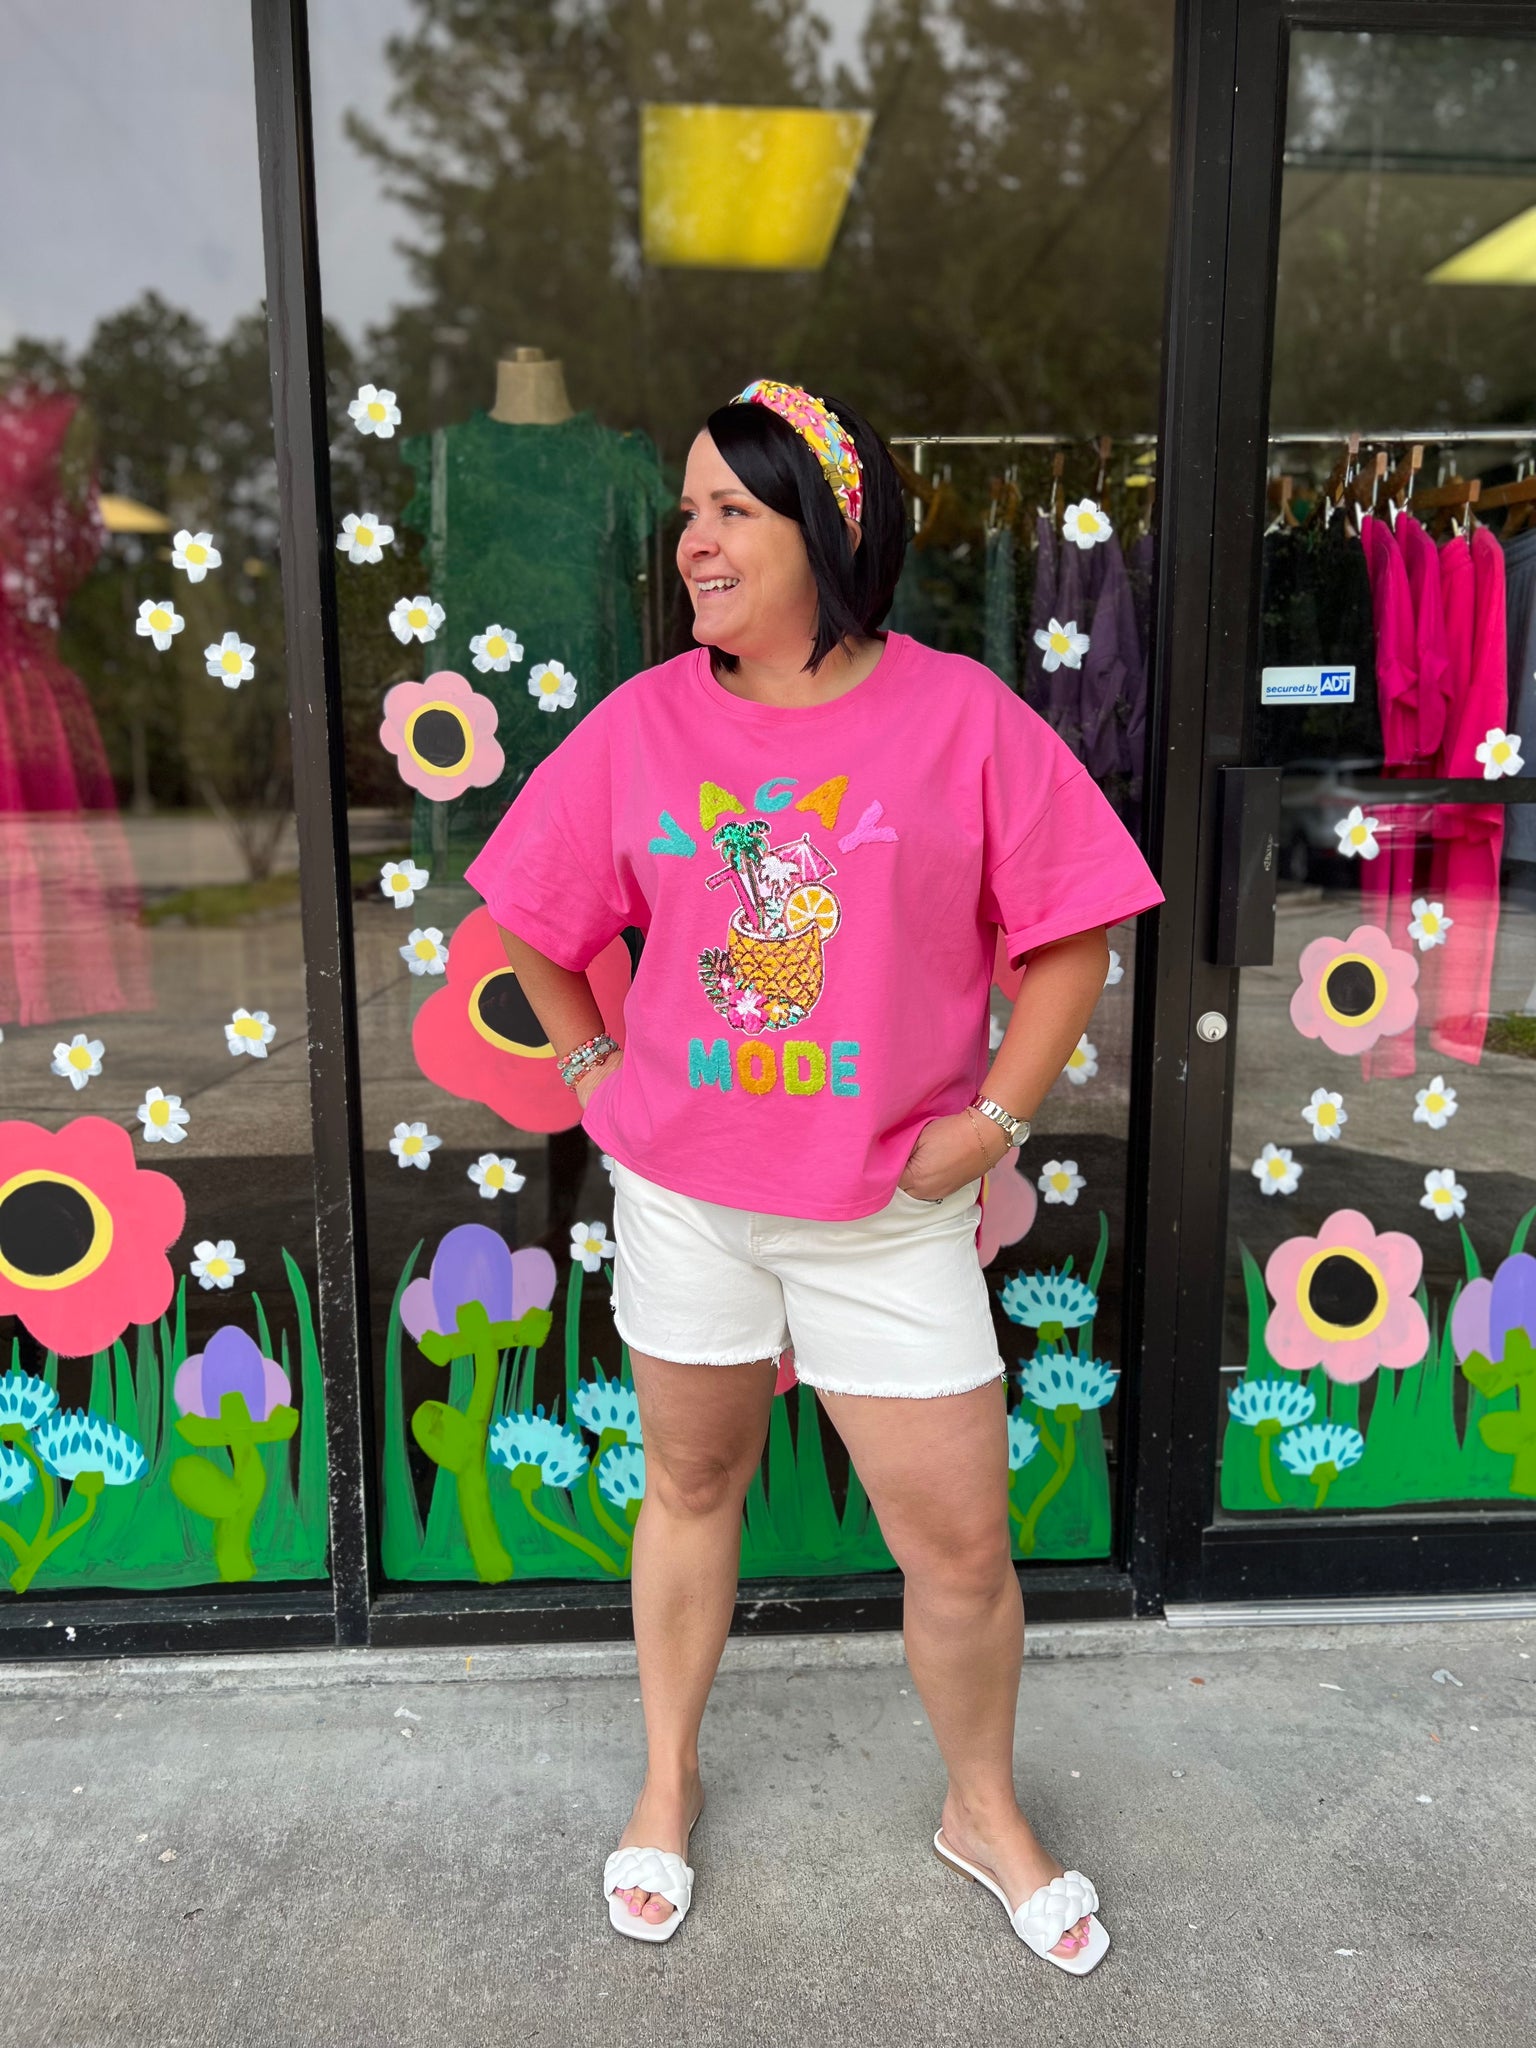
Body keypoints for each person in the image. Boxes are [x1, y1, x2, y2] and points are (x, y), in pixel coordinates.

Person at [464, 378, 1163, 1972]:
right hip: (690, 1203)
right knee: (690, 1487)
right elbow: (531, 913)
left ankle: (981, 1809)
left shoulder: (961, 718)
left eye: (732, 509)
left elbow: (1071, 929)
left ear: (828, 530)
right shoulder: (645, 725)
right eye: (688, 513)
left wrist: (995, 1122)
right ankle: (669, 1778)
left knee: (962, 1550)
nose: (694, 543)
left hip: (887, 1217)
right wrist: (594, 1070)